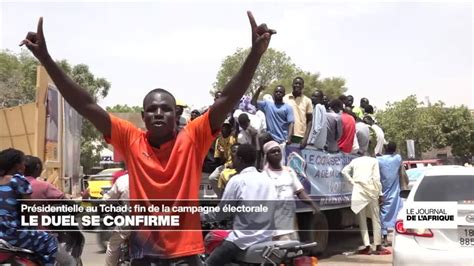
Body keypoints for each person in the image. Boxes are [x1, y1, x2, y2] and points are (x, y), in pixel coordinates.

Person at [21, 12, 276, 262]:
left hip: (186, 255)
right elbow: (87, 105)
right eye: (152, 109)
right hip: (144, 254)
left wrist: (255, 54)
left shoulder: (194, 137)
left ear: (176, 114)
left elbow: (226, 99)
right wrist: (45, 58)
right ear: (143, 116)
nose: (158, 113)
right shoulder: (131, 138)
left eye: (165, 108)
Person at [201, 144, 277, 266]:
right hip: (266, 239)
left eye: (234, 157)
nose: (232, 161)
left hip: (242, 240)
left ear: (240, 159)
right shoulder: (268, 180)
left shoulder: (237, 180)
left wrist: (198, 216)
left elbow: (219, 214)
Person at [0, 148, 58, 265]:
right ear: (17, 166)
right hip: (12, 234)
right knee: (51, 241)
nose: (24, 167)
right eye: (22, 163)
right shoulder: (17, 180)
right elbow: (31, 209)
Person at [263, 141, 319, 240]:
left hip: (291, 224)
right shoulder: (264, 175)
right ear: (266, 156)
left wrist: (312, 204)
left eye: (278, 151)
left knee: (295, 251)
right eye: (273, 152)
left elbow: (300, 192)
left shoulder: (289, 171)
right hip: (276, 228)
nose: (276, 153)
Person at [341, 154, 390, 255]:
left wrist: (352, 182)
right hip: (372, 190)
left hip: (358, 190)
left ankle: (367, 246)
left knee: (362, 220)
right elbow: (376, 178)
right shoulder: (373, 161)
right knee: (376, 219)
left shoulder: (355, 161)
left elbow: (344, 171)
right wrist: (380, 194)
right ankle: (378, 246)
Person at [377, 142, 403, 246]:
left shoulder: (379, 160)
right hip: (394, 192)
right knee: (397, 212)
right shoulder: (397, 158)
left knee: (383, 212)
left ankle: (384, 237)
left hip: (383, 191)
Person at [103, 173, 130, 266]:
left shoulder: (123, 180)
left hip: (129, 221)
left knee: (112, 245)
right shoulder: (152, 177)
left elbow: (109, 198)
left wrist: (104, 197)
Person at [283, 77, 313, 144]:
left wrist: (306, 138)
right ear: (292, 85)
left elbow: (310, 121)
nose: (297, 85)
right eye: (296, 83)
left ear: (303, 86)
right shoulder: (285, 98)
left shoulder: (307, 101)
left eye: (300, 84)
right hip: (286, 135)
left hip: (300, 136)